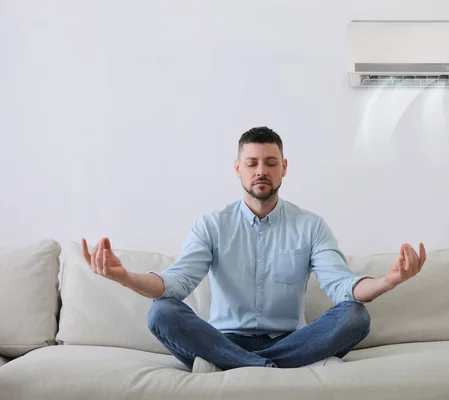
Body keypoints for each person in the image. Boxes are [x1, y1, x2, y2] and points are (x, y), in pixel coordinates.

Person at [81, 126, 426, 373]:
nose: (262, 171)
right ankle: (270, 368)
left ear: (284, 168)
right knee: (161, 312)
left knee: (355, 315)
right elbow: (176, 282)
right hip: (221, 340)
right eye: (252, 163)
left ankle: (237, 367)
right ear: (238, 169)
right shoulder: (212, 225)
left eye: (271, 162)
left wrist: (389, 280)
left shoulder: (311, 225)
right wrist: (124, 277)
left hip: (292, 339)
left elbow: (342, 287)